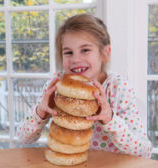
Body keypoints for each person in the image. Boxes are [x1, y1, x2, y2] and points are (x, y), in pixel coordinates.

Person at [16, 14, 153, 158]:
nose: (76, 59)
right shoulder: (56, 86)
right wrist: (39, 113)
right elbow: (24, 138)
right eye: (68, 52)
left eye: (85, 50)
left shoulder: (117, 88)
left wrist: (110, 119)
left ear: (105, 53)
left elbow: (144, 151)